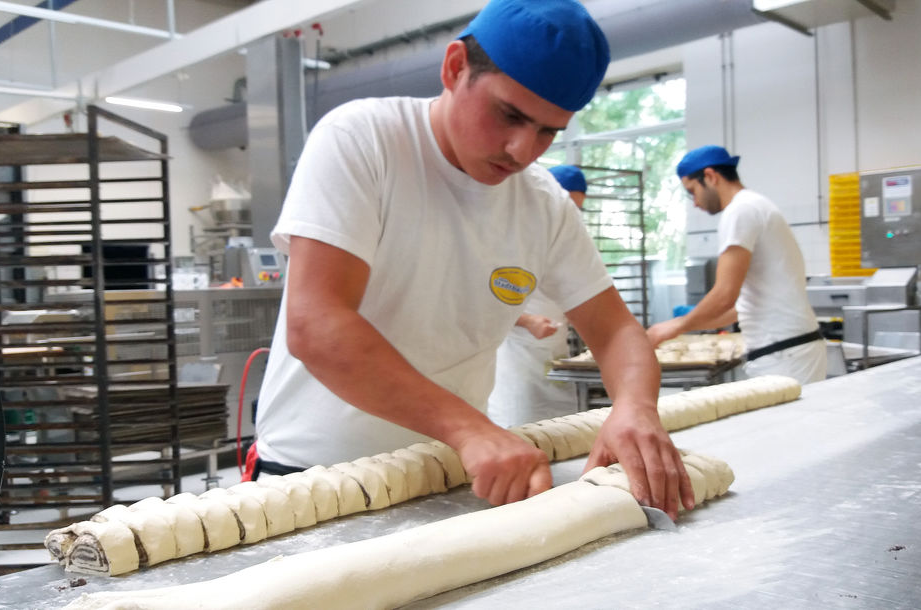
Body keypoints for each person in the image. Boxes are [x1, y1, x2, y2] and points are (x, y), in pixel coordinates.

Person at [251, 0, 694, 519]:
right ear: (455, 67)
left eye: (549, 131)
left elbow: (616, 330)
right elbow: (317, 324)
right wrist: (470, 428)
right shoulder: (364, 140)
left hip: (451, 479)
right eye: (509, 114)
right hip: (314, 482)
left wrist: (634, 408)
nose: (522, 149)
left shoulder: (542, 203)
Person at [647, 145, 827, 384]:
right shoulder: (754, 205)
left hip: (785, 355)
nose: (695, 203)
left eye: (692, 191)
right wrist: (679, 327)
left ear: (710, 177)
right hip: (792, 350)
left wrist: (675, 326)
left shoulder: (740, 210)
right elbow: (738, 309)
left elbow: (725, 295)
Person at [486, 164, 586, 428]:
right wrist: (528, 321)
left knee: (563, 434)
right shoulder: (510, 241)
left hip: (557, 356)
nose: (572, 217)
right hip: (518, 362)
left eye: (578, 209)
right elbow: (486, 304)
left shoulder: (569, 244)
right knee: (521, 431)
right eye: (568, 208)